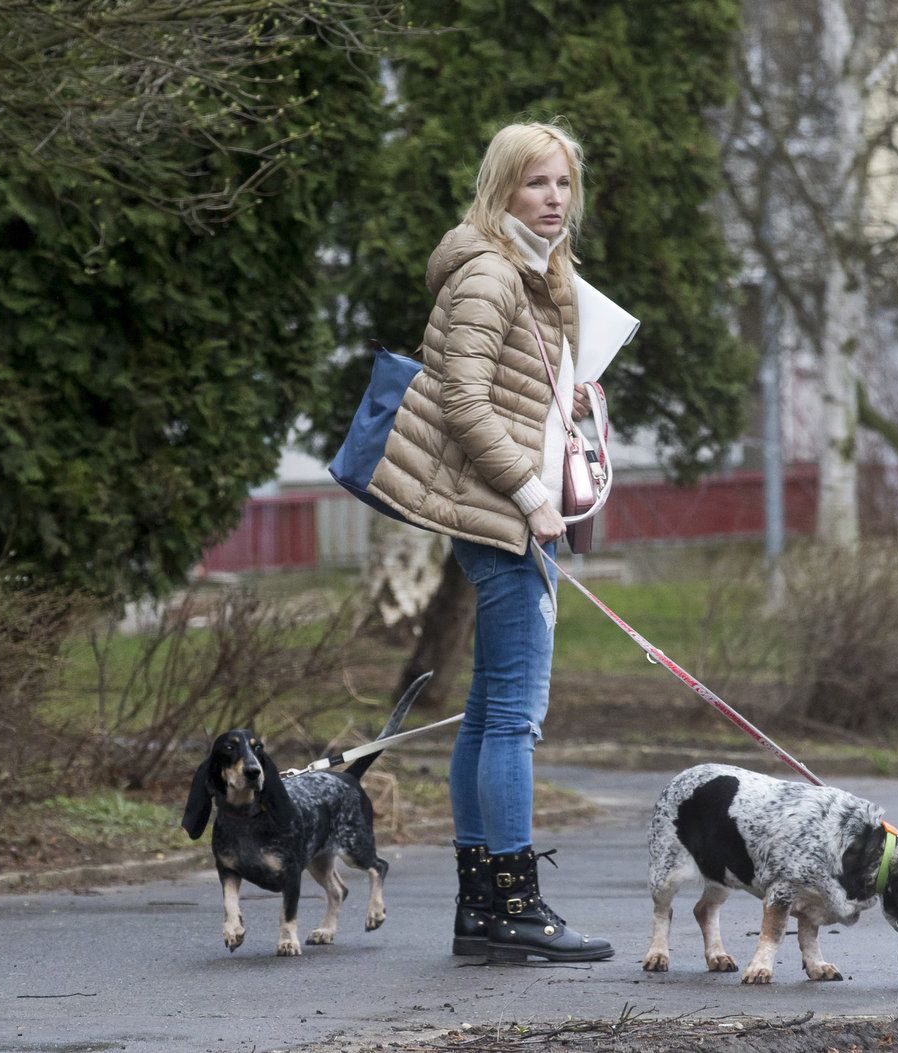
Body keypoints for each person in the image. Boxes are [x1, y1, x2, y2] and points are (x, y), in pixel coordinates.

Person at [367, 121, 614, 963]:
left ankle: (483, 907)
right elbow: (463, 402)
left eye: (564, 185)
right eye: (536, 183)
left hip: (509, 510)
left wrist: (566, 406)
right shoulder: (487, 275)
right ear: (502, 188)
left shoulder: (543, 278)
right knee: (515, 716)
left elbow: (506, 393)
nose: (553, 200)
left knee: (487, 713)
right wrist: (533, 493)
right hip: (502, 514)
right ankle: (513, 903)